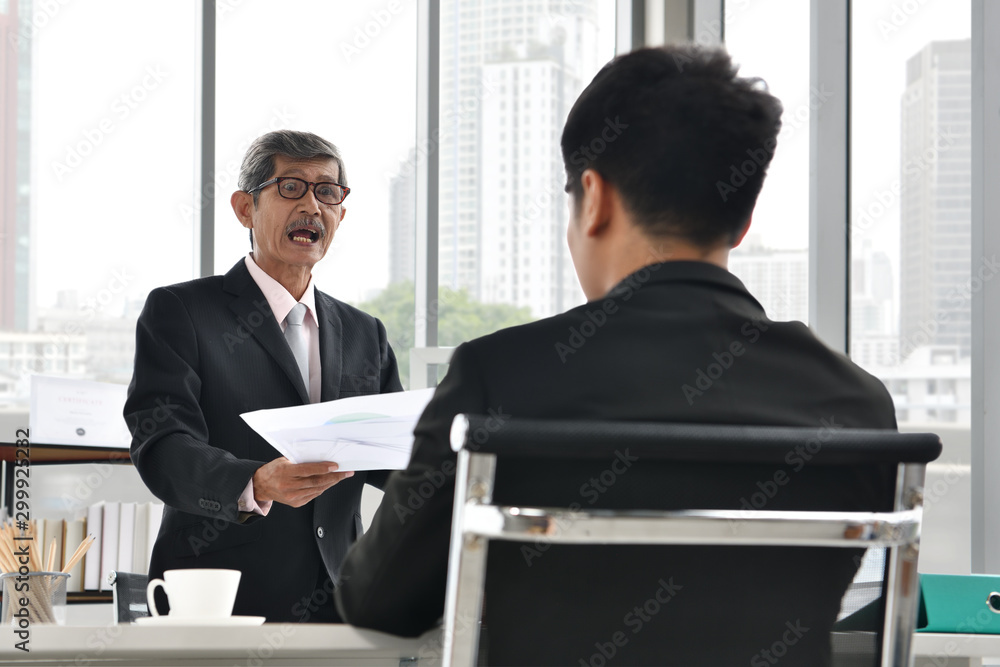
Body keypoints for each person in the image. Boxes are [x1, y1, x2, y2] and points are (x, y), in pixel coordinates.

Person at [334, 45, 897, 665]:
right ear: (740, 222)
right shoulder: (857, 401)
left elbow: (378, 599)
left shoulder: (502, 376)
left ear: (594, 197)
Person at [125, 130, 402, 623]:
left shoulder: (366, 333)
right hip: (218, 598)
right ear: (244, 208)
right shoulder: (181, 311)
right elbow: (162, 446)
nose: (313, 206)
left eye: (327, 191)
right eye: (292, 187)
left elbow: (396, 461)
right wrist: (253, 481)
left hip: (340, 602)